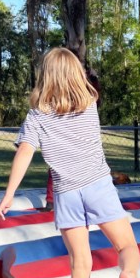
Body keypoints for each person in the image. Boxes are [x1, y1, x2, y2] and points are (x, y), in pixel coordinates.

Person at [0, 47, 140, 278]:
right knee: (127, 245)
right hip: (97, 184)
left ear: (45, 77)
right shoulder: (90, 101)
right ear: (76, 75)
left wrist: (9, 193)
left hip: (66, 191)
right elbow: (87, 79)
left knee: (80, 263)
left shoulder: (37, 115)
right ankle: (129, 275)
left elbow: (24, 152)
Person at [41, 67, 102, 212]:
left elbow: (95, 98)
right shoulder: (62, 93)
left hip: (78, 138)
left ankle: (72, 200)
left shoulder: (85, 97)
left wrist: (94, 79)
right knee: (57, 168)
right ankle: (52, 201)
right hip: (65, 136)